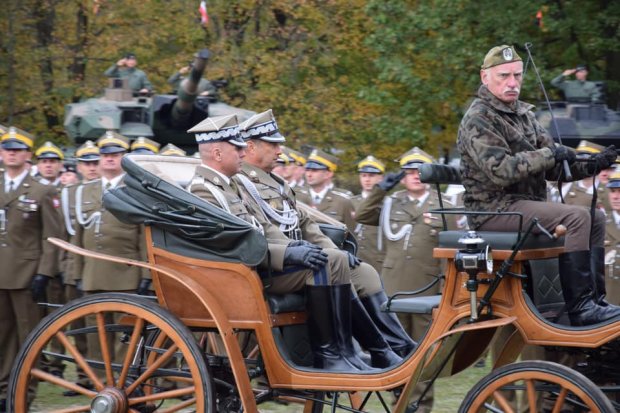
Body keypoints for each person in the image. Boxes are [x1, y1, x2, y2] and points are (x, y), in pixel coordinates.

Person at [186, 113, 401, 371]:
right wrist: (287, 255)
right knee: (328, 262)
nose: (243, 153)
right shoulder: (204, 190)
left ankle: (350, 353)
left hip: (256, 266)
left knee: (334, 260)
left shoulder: (229, 186)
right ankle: (332, 355)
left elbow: (263, 227)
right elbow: (231, 243)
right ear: (218, 154)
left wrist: (295, 247)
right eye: (237, 148)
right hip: (241, 273)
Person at [457, 44, 620, 326]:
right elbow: (502, 170)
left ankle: (594, 301)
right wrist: (548, 154)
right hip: (494, 211)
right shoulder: (479, 118)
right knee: (576, 216)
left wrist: (596, 163)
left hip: (523, 208)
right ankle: (580, 308)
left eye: (517, 76)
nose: (512, 83)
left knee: (596, 217)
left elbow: (556, 165)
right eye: (504, 75)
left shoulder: (524, 115)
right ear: (485, 77)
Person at [234, 109, 416, 363]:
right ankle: (357, 352)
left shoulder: (276, 183)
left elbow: (306, 223)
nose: (280, 152)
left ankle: (396, 346)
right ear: (250, 146)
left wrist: (333, 248)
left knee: (365, 272)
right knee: (333, 264)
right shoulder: (241, 182)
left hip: (297, 259)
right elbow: (265, 229)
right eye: (273, 144)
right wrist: (299, 251)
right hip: (274, 265)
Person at [356, 147, 448, 413]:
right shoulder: (391, 202)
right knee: (396, 351)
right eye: (409, 172)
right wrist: (380, 189)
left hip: (427, 287)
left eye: (421, 171)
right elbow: (362, 215)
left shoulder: (442, 204)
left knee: (424, 354)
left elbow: (450, 251)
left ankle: (420, 407)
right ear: (402, 177)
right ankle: (399, 403)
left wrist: (444, 291)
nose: (415, 176)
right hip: (393, 289)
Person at [72, 131, 150, 374]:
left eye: (115, 155)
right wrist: (76, 272)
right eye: (105, 155)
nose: (109, 159)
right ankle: (98, 384)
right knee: (95, 334)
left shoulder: (135, 190)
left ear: (124, 158)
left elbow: (143, 236)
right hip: (92, 275)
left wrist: (146, 275)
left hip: (126, 275)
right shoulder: (84, 191)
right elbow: (77, 234)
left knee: (124, 335)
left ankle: (123, 381)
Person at [0, 127, 62, 410]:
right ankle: (3, 392)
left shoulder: (42, 190)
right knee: (1, 337)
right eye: (7, 148)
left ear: (28, 155)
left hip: (27, 274)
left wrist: (44, 273)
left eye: (18, 149)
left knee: (28, 339)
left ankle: (24, 392)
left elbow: (51, 236)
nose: (11, 153)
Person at [296, 149, 356, 231]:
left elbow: (350, 232)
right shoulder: (297, 195)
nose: (309, 174)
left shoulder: (342, 201)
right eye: (307, 170)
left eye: (314, 170)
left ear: (329, 174)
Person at [350, 156, 386, 272]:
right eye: (363, 175)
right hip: (353, 259)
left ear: (381, 178)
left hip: (377, 262)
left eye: (371, 175)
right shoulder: (349, 202)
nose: (367, 179)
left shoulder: (388, 203)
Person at [604, 171, 620, 306]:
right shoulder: (599, 224)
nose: (616, 197)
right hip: (609, 301)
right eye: (613, 191)